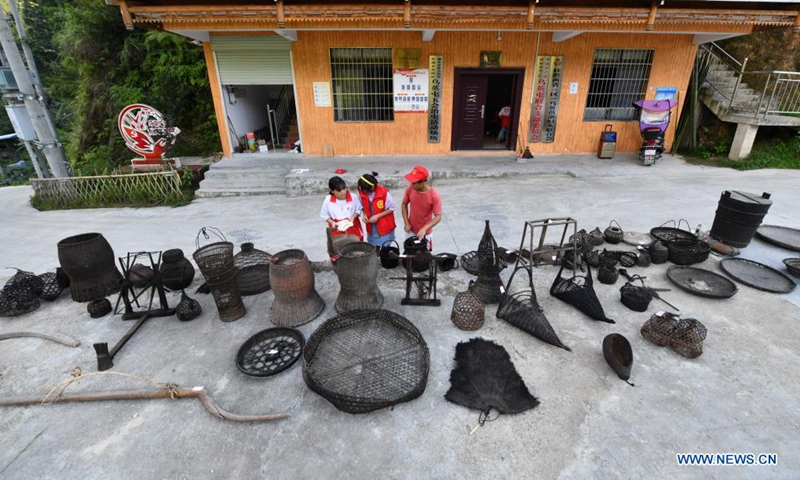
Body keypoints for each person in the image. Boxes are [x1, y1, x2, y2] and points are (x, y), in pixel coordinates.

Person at [401, 165, 442, 250]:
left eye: (414, 182)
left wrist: (424, 229)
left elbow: (438, 217)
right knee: (409, 253)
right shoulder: (410, 189)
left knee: (424, 257)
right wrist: (406, 222)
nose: (411, 184)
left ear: (422, 182)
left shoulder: (434, 195)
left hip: (426, 233)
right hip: (411, 231)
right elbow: (404, 204)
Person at [357, 172, 397, 251]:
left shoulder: (384, 193)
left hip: (385, 225)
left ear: (372, 186)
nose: (365, 192)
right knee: (374, 247)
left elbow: (391, 208)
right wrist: (364, 215)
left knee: (385, 247)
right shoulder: (362, 193)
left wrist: (377, 216)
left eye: (367, 190)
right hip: (372, 226)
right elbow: (362, 207)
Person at [320, 176, 363, 241]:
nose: (343, 192)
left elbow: (359, 209)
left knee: (356, 244)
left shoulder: (353, 197)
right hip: (337, 228)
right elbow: (324, 215)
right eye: (339, 190)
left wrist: (353, 216)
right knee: (340, 246)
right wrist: (332, 222)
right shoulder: (328, 201)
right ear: (332, 191)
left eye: (344, 188)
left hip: (353, 227)